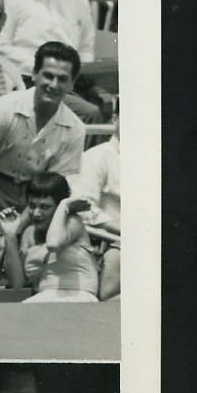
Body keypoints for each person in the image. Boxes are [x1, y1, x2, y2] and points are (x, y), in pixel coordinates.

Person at [0, 41, 86, 267]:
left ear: (72, 83)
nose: (53, 85)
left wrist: (16, 230)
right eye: (48, 75)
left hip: (35, 200)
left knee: (28, 261)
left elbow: (53, 188)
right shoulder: (4, 109)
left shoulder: (74, 129)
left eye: (62, 79)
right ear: (34, 75)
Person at [0, 172, 107, 302]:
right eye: (32, 206)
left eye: (45, 207)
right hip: (46, 301)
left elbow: (53, 245)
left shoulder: (72, 223)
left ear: (59, 206)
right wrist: (10, 235)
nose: (36, 213)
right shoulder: (29, 233)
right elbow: (17, 283)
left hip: (79, 300)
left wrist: (65, 206)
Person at [75, 123, 121, 299]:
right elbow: (84, 206)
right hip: (112, 241)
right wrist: (123, 230)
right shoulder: (97, 157)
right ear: (115, 118)